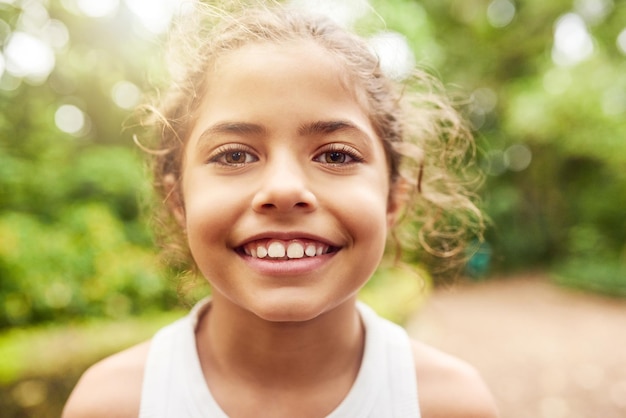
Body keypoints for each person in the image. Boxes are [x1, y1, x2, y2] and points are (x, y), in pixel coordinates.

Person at [63, 1, 498, 417]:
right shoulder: (112, 406)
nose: (285, 189)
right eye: (234, 156)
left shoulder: (450, 406)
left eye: (336, 156)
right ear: (179, 201)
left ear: (393, 200)